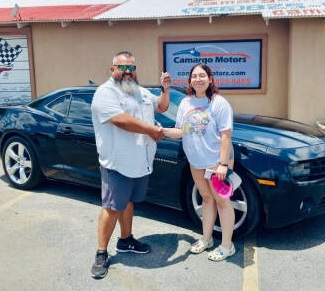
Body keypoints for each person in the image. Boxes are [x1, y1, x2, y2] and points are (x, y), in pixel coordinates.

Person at [90, 51, 171, 279]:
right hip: (117, 162)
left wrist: (165, 90)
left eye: (132, 68)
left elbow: (162, 107)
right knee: (113, 207)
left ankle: (126, 240)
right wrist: (152, 130)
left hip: (140, 162)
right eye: (123, 67)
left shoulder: (141, 92)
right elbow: (120, 120)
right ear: (112, 69)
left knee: (128, 203)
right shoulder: (105, 93)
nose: (128, 72)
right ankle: (101, 252)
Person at [163, 63, 235, 261]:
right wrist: (162, 131)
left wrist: (223, 164)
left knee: (222, 201)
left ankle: (227, 245)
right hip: (195, 162)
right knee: (206, 198)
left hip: (215, 162)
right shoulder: (186, 103)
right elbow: (181, 131)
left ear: (210, 79)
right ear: (190, 81)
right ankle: (207, 239)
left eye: (202, 75)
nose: (198, 79)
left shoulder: (219, 103)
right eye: (194, 76)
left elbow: (226, 136)